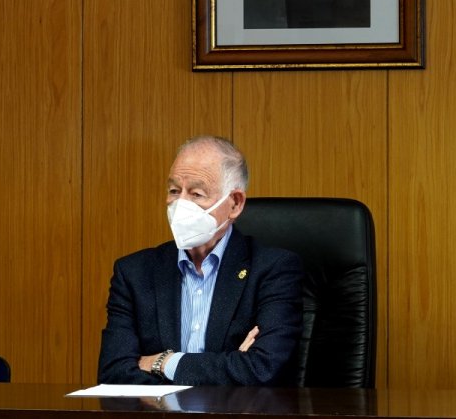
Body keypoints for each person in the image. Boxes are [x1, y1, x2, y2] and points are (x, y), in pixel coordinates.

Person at [97, 135, 303, 385]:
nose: (180, 204)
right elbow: (114, 373)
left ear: (235, 204)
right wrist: (230, 365)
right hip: (158, 410)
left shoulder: (273, 270)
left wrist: (163, 362)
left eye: (196, 193)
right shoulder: (134, 273)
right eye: (174, 191)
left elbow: (261, 368)